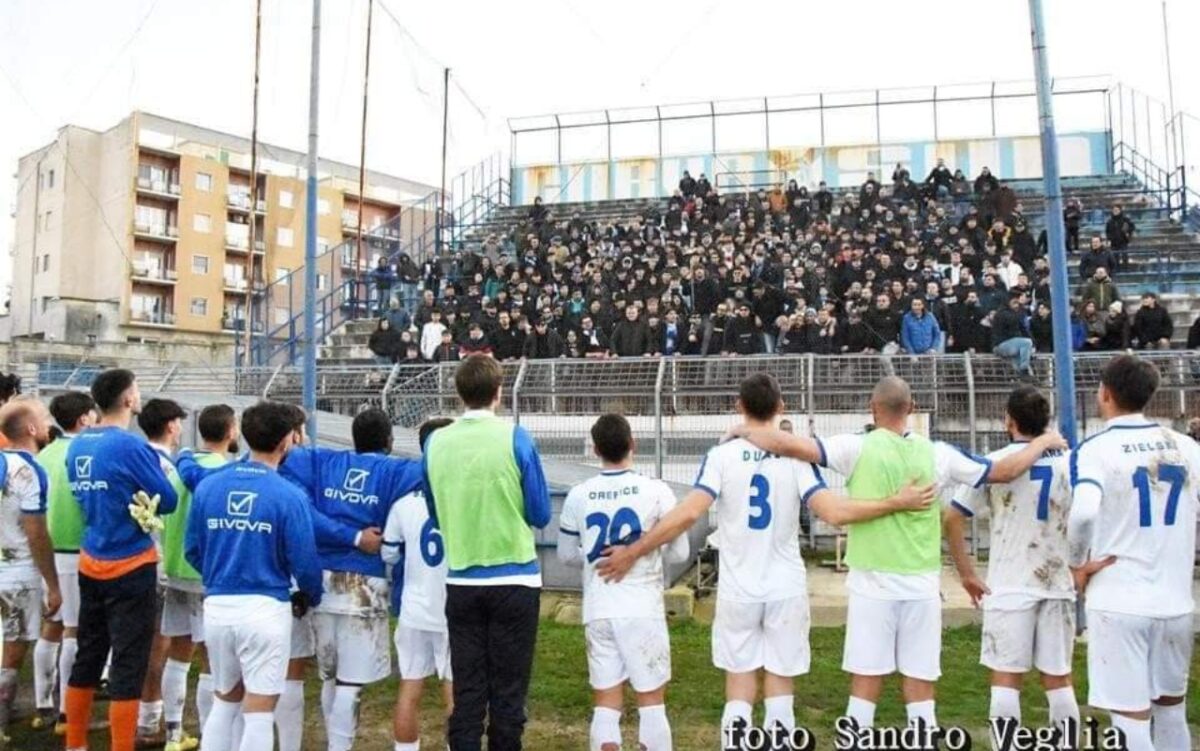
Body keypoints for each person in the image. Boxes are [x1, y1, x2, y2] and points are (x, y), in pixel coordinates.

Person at [597, 374, 941, 742]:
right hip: (785, 587)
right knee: (780, 687)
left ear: (739, 406)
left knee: (739, 685)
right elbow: (835, 514)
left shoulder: (721, 456)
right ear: (781, 407)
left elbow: (688, 513)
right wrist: (895, 503)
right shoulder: (795, 458)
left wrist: (634, 551)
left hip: (738, 588)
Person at [715, 376, 1063, 734]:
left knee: (865, 682)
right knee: (920, 686)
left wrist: (743, 429)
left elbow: (788, 443)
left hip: (872, 584)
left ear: (872, 408)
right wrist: (1045, 442)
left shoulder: (855, 447)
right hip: (922, 585)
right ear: (911, 410)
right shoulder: (938, 453)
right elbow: (1004, 471)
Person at [1068, 354, 1200, 751]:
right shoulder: (1187, 447)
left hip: (1120, 600)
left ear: (1105, 394)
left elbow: (1085, 510)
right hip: (1176, 602)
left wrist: (1076, 563)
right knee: (1171, 710)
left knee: (1130, 717)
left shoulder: (1097, 448)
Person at [422, 355, 550, 750]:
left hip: (462, 577)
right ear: (499, 392)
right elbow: (541, 512)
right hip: (514, 576)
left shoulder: (436, 442)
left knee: (468, 691)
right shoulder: (515, 436)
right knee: (509, 693)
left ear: (459, 394)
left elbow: (435, 512)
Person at [276, 407, 423, 751]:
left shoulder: (321, 461)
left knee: (330, 676)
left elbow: (293, 480)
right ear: (389, 441)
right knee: (349, 683)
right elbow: (434, 467)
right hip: (363, 587)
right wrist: (356, 537)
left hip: (321, 582)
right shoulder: (397, 470)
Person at [184, 401, 323, 751]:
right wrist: (310, 594)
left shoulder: (210, 486)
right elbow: (304, 562)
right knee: (260, 710)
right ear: (285, 442)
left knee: (225, 700)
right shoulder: (289, 496)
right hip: (264, 608)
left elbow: (193, 549)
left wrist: (222, 573)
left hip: (217, 606)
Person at [943, 386, 1080, 740]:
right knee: (1058, 678)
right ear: (1046, 421)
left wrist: (967, 573)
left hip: (1008, 582)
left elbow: (952, 517)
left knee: (1006, 679)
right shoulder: (1070, 462)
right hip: (1056, 580)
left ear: (1009, 420)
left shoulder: (996, 461)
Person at [557, 414, 689, 751]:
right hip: (642, 606)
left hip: (599, 607)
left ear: (595, 448)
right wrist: (642, 554)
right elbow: (679, 552)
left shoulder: (579, 494)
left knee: (605, 702)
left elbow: (567, 554)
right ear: (633, 444)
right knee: (651, 701)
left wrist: (598, 560)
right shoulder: (657, 490)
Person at [64, 369, 180, 751]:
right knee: (129, 661)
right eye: (137, 388)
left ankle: (76, 743)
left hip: (91, 557)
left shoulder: (78, 445)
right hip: (130, 563)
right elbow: (168, 496)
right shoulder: (130, 446)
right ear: (129, 400)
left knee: (89, 653)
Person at [158, 404, 239, 751]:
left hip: (174, 568)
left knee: (179, 653)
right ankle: (210, 734)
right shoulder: (226, 474)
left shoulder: (178, 469)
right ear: (231, 430)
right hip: (205, 574)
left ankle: (173, 733)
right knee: (211, 658)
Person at [383, 418, 454, 751]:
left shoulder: (405, 504)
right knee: (456, 692)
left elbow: (389, 554)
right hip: (453, 609)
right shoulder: (461, 499)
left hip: (414, 608)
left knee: (409, 689)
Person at [30, 391, 96, 736]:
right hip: (76, 548)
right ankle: (68, 711)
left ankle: (42, 703)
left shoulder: (44, 454)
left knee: (51, 625)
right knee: (74, 628)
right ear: (84, 419)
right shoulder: (83, 452)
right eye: (93, 414)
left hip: (46, 549)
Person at [0, 398, 59, 739]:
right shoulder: (29, 470)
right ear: (32, 429)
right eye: (44, 418)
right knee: (12, 653)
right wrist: (53, 583)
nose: (50, 423)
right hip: (19, 572)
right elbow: (36, 530)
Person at [134, 398, 190, 749]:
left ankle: (147, 720)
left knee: (147, 645)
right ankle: (159, 725)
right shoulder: (173, 467)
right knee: (166, 646)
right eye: (179, 422)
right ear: (171, 425)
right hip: (165, 564)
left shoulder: (135, 459)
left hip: (137, 560)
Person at [992, 293, 1034, 379]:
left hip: (1010, 344)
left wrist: (1034, 344)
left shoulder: (1014, 314)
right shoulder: (1002, 313)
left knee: (1022, 351)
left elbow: (1024, 330)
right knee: (1026, 343)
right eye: (1014, 303)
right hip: (1001, 345)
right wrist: (1021, 307)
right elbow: (1012, 320)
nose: (1016, 305)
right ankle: (1024, 370)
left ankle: (1022, 377)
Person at [1104, 205, 1136, 271]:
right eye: (1114, 210)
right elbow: (1107, 232)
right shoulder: (1110, 221)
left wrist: (1127, 232)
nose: (1115, 211)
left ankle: (1125, 270)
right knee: (1115, 257)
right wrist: (1109, 238)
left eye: (1117, 210)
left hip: (1123, 241)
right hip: (1114, 242)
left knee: (1125, 255)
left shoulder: (1125, 219)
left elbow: (1132, 227)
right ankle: (1116, 270)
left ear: (1120, 210)